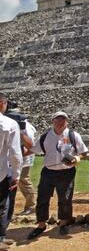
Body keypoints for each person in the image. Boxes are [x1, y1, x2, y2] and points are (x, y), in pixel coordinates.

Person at [27, 111, 88, 239]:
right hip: (48, 171)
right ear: (52, 121)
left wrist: (76, 159)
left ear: (67, 122)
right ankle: (41, 224)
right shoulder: (45, 136)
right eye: (57, 120)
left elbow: (83, 152)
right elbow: (32, 150)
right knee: (42, 198)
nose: (60, 122)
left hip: (66, 172)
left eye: (63, 120)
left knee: (65, 199)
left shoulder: (73, 135)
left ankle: (64, 222)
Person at [0, 93, 23, 249]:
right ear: (3, 103)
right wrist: (16, 175)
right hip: (1, 173)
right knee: (1, 206)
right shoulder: (8, 123)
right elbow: (15, 153)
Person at [18, 119, 36, 215]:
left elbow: (31, 145)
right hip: (13, 157)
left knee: (24, 180)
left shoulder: (25, 126)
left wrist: (23, 153)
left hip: (24, 157)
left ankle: (31, 206)